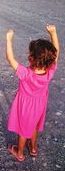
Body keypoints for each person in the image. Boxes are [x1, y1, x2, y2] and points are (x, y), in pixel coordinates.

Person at [6, 25, 59, 162]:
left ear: (31, 59)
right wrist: (53, 33)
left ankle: (20, 153)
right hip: (40, 104)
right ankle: (34, 148)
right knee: (34, 125)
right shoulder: (50, 71)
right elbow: (56, 54)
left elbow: (10, 60)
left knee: (23, 130)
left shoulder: (26, 74)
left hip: (26, 106)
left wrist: (9, 40)